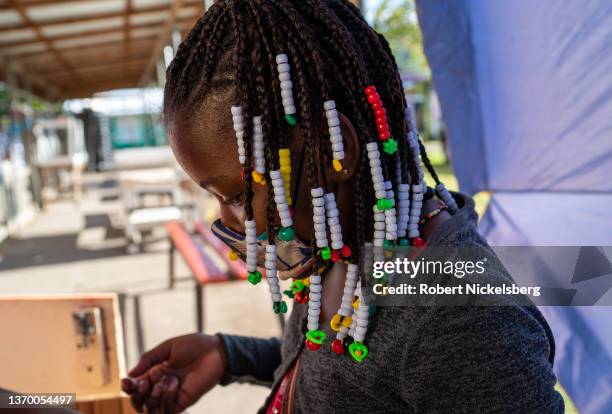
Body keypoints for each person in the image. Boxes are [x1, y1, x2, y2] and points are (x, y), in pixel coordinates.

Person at [122, 1, 565, 412]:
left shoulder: (460, 318)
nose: (225, 220)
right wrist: (228, 354)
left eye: (238, 195)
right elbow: (345, 369)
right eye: (214, 197)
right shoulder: (349, 245)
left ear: (335, 153)